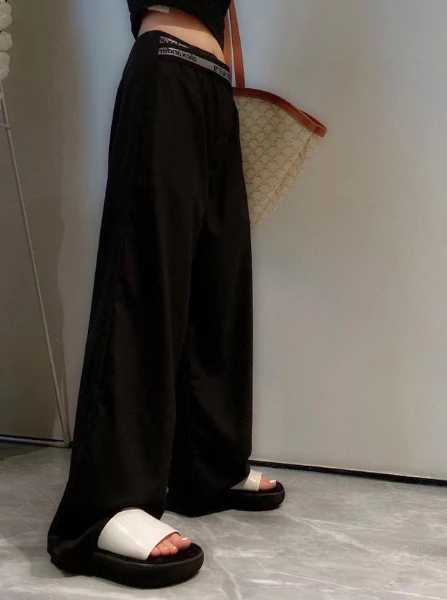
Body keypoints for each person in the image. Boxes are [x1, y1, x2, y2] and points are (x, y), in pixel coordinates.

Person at [47, 1, 285, 589]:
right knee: (144, 279)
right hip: (167, 70)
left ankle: (208, 464)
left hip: (213, 82)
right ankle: (107, 504)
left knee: (219, 284)